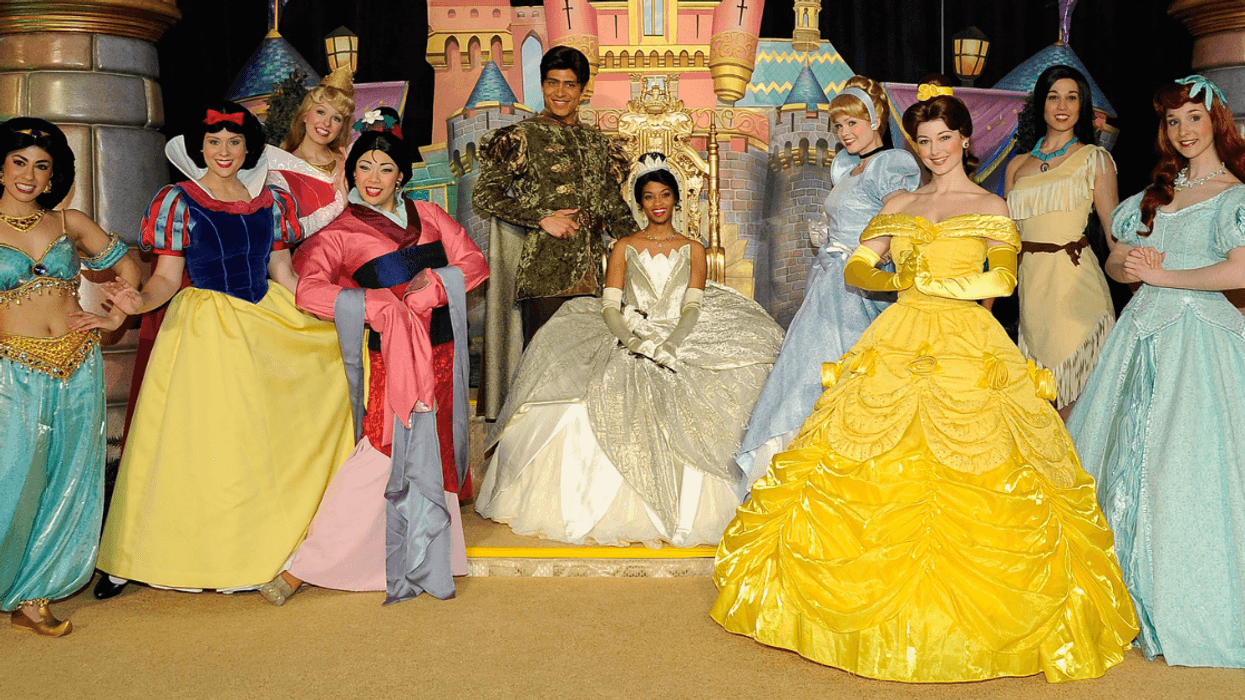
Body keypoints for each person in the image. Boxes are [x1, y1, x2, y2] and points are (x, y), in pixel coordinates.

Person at [711, 90, 1138, 682]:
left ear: (966, 139)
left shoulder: (991, 202)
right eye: (925, 141)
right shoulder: (901, 199)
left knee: (984, 462)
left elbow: (1004, 281)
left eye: (945, 138)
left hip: (968, 340)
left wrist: (940, 286)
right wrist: (904, 277)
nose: (935, 150)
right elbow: (860, 264)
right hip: (901, 330)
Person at [93, 101, 355, 595]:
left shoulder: (270, 201)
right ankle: (135, 558)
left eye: (234, 142)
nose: (224, 151)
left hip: (264, 320)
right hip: (206, 329)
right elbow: (167, 278)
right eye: (214, 142)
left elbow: (284, 271)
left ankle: (260, 547)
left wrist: (327, 310)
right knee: (197, 444)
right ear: (200, 147)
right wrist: (137, 301)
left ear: (248, 147)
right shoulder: (177, 199)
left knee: (259, 437)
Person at [476, 155, 783, 547]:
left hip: (683, 334)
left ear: (676, 200)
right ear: (640, 203)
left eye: (665, 195)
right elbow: (608, 305)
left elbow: (693, 306)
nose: (658, 203)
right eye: (649, 196)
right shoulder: (623, 246)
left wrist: (671, 343)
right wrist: (634, 341)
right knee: (582, 398)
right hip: (627, 331)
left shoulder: (694, 248)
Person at [259, 124, 489, 605]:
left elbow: (474, 262)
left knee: (439, 452)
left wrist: (436, 288)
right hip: (393, 360)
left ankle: (434, 560)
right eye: (364, 166)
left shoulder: (429, 215)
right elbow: (309, 288)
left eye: (385, 168)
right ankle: (304, 568)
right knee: (381, 455)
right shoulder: (340, 232)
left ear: (402, 175)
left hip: (443, 351)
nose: (373, 177)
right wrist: (370, 304)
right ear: (351, 172)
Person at [1067, 75, 1245, 668]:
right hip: (1141, 336)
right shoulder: (1152, 194)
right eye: (1173, 122)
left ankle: (1186, 601)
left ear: (1216, 121)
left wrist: (1169, 275)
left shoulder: (1236, 197)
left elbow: (1237, 273)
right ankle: (1124, 598)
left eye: (1193, 118)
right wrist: (1132, 266)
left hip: (1201, 344)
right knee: (1121, 460)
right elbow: (1118, 263)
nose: (1183, 131)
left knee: (1186, 467)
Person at [735, 75, 920, 482]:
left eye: (853, 123)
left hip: (859, 286)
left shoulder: (893, 164)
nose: (844, 132)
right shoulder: (849, 169)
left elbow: (899, 224)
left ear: (876, 120)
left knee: (835, 372)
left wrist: (864, 256)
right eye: (838, 126)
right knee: (807, 369)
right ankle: (794, 475)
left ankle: (837, 474)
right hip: (829, 282)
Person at [0, 118, 139, 636]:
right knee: (10, 475)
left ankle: (32, 595)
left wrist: (115, 316)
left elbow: (131, 271)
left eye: (42, 166)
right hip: (11, 368)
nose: (30, 175)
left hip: (77, 365)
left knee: (65, 480)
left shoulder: (69, 222)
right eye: (20, 162)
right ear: (1, 165)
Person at [473, 45, 636, 420]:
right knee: (545, 377)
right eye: (552, 83)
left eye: (570, 85)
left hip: (598, 279)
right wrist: (542, 217)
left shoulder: (599, 144)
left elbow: (614, 207)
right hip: (546, 276)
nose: (560, 93)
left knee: (592, 378)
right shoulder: (522, 136)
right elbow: (486, 194)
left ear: (582, 91)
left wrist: (643, 245)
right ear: (542, 84)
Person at [1005, 65, 1119, 417]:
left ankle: (1080, 473)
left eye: (1072, 97)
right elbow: (1006, 241)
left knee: (1077, 405)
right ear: (1040, 103)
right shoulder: (1016, 166)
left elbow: (1116, 235)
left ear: (1082, 106)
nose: (1062, 105)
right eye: (1053, 96)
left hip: (1077, 290)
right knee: (1041, 408)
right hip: (1033, 293)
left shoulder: (1096, 159)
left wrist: (1144, 289)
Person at [266, 65, 355, 236]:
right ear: (306, 115)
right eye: (321, 112)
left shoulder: (349, 159)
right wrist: (338, 205)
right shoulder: (280, 168)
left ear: (342, 127)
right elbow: (283, 232)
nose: (326, 123)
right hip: (312, 258)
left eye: (336, 118)